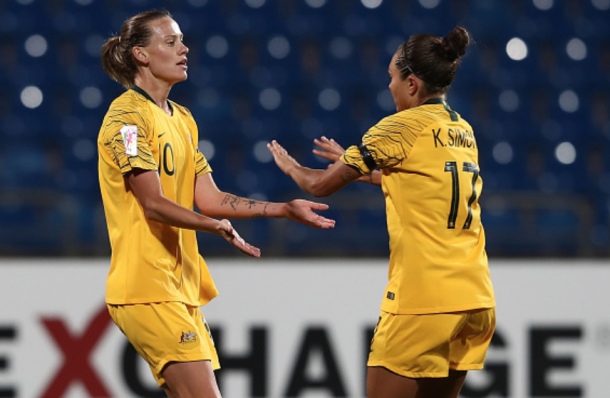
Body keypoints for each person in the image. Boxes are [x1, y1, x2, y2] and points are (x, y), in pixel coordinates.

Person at [97, 10, 335, 397]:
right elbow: (153, 203)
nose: (184, 49)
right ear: (141, 55)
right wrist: (215, 227)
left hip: (178, 287)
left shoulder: (183, 119)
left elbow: (209, 197)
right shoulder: (126, 119)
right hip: (147, 286)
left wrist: (282, 208)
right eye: (171, 42)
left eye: (182, 40)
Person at [268, 26, 496, 398]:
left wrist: (292, 167)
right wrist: (358, 169)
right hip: (476, 300)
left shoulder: (399, 127)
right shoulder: (462, 129)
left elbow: (319, 185)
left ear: (411, 84)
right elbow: (422, 182)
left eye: (391, 77)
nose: (388, 86)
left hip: (424, 299)